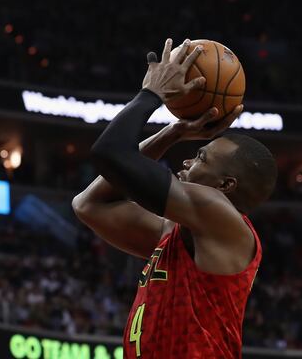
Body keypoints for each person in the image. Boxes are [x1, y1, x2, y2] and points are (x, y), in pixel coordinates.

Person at [72, 39, 277, 358]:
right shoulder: (177, 236)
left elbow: (109, 153)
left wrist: (152, 94)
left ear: (225, 185)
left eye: (201, 157)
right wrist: (174, 132)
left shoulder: (219, 215)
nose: (186, 161)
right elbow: (89, 205)